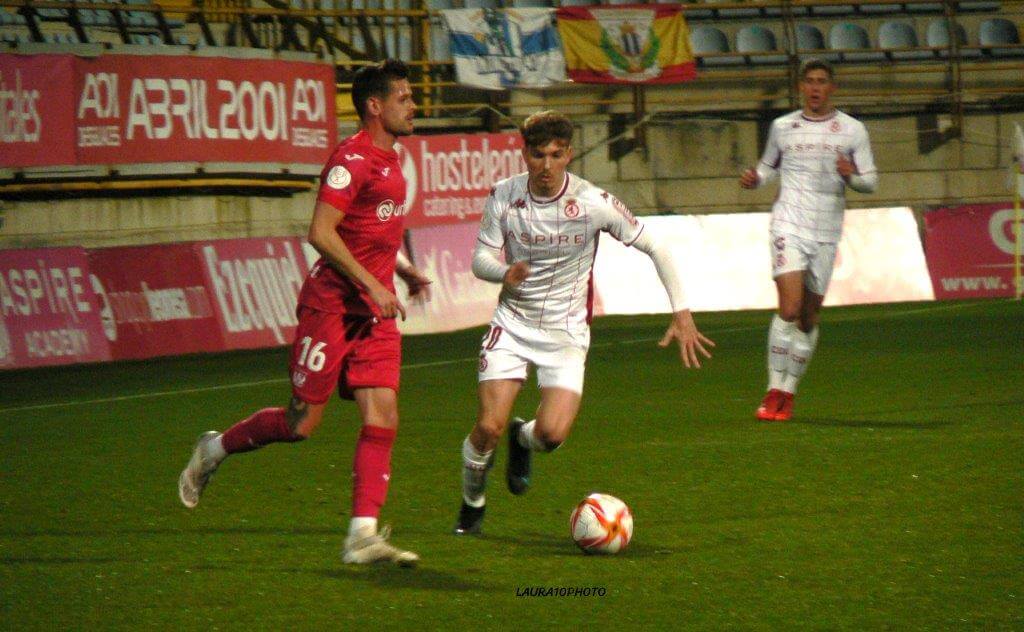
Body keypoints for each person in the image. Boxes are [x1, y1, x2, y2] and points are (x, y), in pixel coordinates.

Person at [178, 59, 431, 567]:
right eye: (403, 97)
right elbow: (321, 233)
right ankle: (214, 449)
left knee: (383, 414)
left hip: (375, 310)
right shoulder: (351, 160)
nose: (414, 105)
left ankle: (361, 537)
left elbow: (370, 232)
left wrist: (401, 269)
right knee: (300, 423)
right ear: (374, 106)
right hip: (333, 306)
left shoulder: (393, 159)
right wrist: (370, 285)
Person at [453, 110, 715, 535]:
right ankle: (472, 504)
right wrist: (504, 272)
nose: (546, 166)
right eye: (537, 156)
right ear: (525, 155)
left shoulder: (592, 203)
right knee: (487, 426)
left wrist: (681, 314)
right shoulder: (504, 195)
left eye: (556, 156)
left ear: (569, 155)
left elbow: (656, 246)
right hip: (513, 324)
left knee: (552, 435)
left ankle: (523, 440)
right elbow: (479, 259)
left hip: (566, 333)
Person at [740, 58, 878, 422]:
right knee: (789, 308)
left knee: (808, 318)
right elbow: (768, 166)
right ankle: (772, 389)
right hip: (789, 223)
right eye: (810, 82)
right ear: (801, 87)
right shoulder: (782, 127)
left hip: (827, 230)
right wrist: (757, 179)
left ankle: (788, 393)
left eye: (822, 82)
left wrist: (851, 176)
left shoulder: (851, 130)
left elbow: (871, 181)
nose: (815, 88)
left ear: (831, 88)